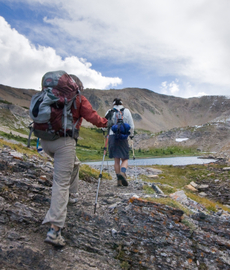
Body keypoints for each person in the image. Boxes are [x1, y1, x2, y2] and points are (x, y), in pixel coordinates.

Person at [41, 74, 108, 247]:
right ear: (76, 86)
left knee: (75, 164)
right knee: (60, 183)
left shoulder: (50, 95)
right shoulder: (78, 98)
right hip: (64, 143)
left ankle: (73, 196)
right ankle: (54, 230)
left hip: (45, 140)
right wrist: (106, 123)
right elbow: (93, 117)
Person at [105, 98, 134, 187]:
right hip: (123, 137)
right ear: (122, 103)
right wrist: (131, 135)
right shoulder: (127, 111)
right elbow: (132, 125)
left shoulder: (109, 112)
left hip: (112, 137)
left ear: (113, 104)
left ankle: (119, 181)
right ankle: (122, 172)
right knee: (125, 158)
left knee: (116, 160)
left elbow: (104, 125)